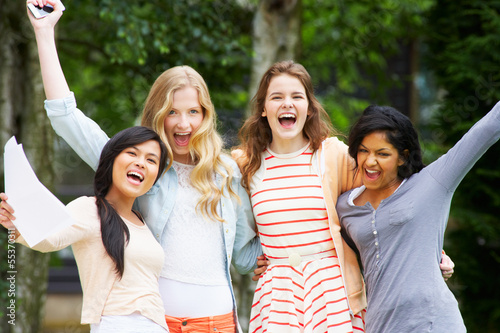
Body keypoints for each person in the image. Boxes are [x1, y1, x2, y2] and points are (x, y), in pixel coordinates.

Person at [17, 1, 262, 331]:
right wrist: (44, 32)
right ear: (158, 114)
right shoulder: (142, 167)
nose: (183, 123)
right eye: (172, 112)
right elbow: (66, 118)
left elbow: (246, 257)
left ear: (206, 115)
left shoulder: (227, 171)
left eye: (193, 112)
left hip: (221, 323)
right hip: (156, 322)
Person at [337, 103, 500, 332]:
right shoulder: (345, 206)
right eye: (364, 150)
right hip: (379, 326)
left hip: (435, 323)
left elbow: (487, 128)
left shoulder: (433, 183)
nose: (370, 161)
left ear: (403, 157)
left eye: (382, 154)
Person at [233, 60, 366, 333]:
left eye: (296, 96)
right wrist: (259, 256)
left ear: (309, 107)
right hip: (276, 297)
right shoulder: (244, 164)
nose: (287, 103)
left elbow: (382, 202)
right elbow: (228, 224)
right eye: (277, 97)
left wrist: (431, 252)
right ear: (262, 109)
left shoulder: (332, 155)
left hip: (332, 292)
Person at [1, 126, 170, 332]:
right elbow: (51, 239)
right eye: (132, 153)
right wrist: (16, 227)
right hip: (118, 323)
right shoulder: (90, 209)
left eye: (151, 160)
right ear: (112, 159)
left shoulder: (142, 221)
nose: (141, 163)